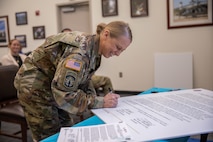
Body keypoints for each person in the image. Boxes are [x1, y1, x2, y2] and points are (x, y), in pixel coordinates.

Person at [14, 21, 132, 141]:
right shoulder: (79, 53)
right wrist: (100, 102)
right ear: (106, 34)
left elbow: (85, 80)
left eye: (122, 50)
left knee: (67, 129)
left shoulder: (94, 49)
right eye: (118, 47)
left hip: (51, 84)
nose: (118, 54)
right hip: (34, 88)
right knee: (49, 135)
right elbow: (64, 94)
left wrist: (96, 100)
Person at [61, 28, 114, 95]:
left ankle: (111, 100)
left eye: (71, 34)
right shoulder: (75, 53)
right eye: (66, 35)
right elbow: (66, 93)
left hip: (85, 78)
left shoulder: (90, 49)